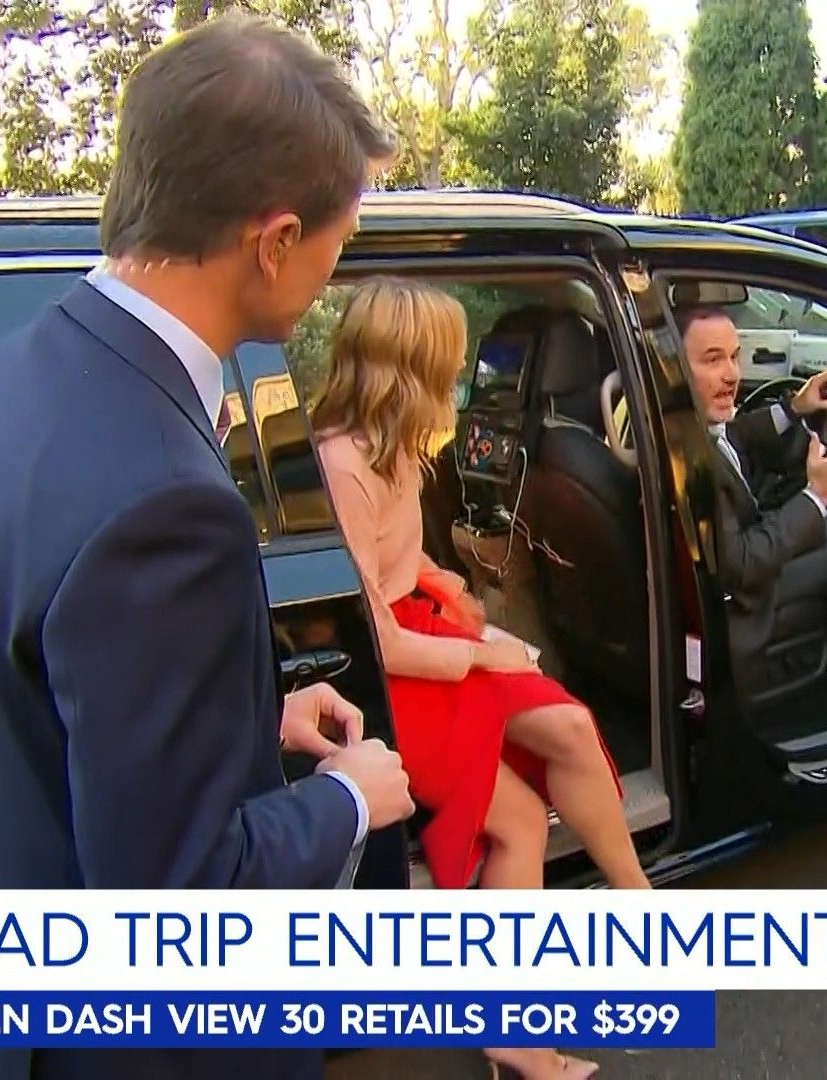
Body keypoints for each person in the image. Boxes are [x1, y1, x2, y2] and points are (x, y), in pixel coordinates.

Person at [0, 15, 412, 1080]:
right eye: (337, 240)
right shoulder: (165, 504)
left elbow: (63, 691)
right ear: (274, 241)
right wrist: (348, 799)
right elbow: (180, 902)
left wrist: (250, 717)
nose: (333, 268)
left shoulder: (14, 373)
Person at [312, 277, 647, 1080]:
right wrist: (479, 653)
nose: (462, 378)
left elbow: (397, 560)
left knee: (570, 726)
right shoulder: (341, 464)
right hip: (395, 678)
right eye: (450, 364)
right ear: (409, 368)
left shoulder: (393, 445)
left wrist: (448, 584)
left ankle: (638, 908)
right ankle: (514, 1032)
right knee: (520, 819)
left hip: (426, 633)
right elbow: (374, 635)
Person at [677, 304, 827, 686]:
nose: (732, 374)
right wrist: (818, 494)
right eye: (713, 359)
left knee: (824, 522)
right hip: (737, 609)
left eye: (735, 357)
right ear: (674, 369)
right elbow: (740, 568)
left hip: (731, 567)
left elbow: (736, 435)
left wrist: (795, 406)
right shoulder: (687, 462)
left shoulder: (682, 423)